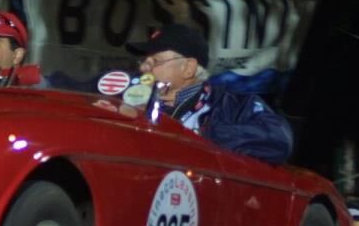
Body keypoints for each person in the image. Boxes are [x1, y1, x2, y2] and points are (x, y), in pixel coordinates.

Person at [126, 23, 294, 163]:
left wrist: (203, 135)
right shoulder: (128, 97)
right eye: (144, 61)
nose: (143, 68)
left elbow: (279, 139)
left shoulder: (234, 105)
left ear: (188, 68)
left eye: (155, 61)